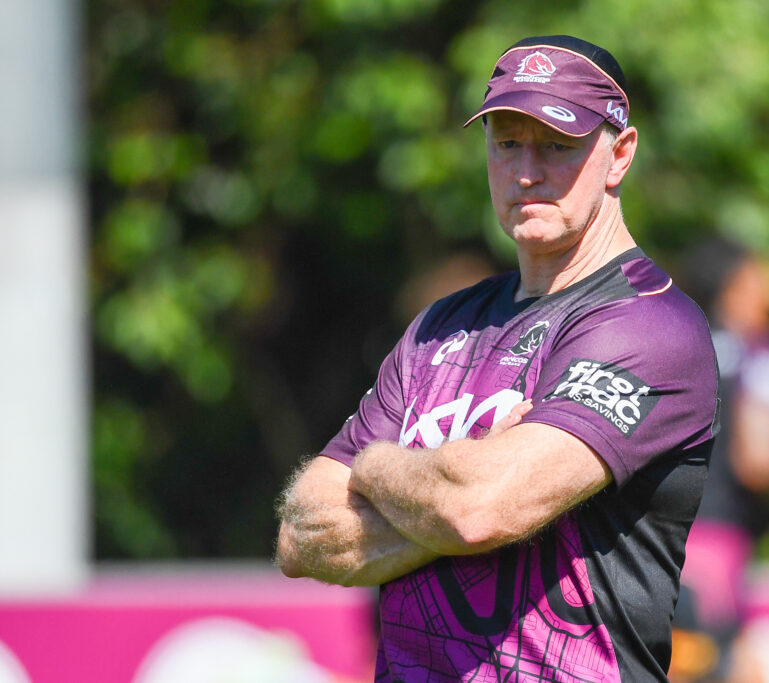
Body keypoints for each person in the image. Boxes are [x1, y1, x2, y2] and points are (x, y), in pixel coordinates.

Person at [276, 35, 719, 682]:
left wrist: (373, 467)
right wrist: (450, 484)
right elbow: (302, 534)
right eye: (507, 142)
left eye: (558, 145)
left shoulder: (651, 323)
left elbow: (482, 508)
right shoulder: (438, 327)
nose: (527, 171)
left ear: (619, 154)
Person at [669, 238, 769, 683]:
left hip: (652, 538)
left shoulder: (676, 344)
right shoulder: (767, 353)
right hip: (715, 543)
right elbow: (759, 460)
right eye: (763, 274)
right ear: (737, 284)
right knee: (725, 666)